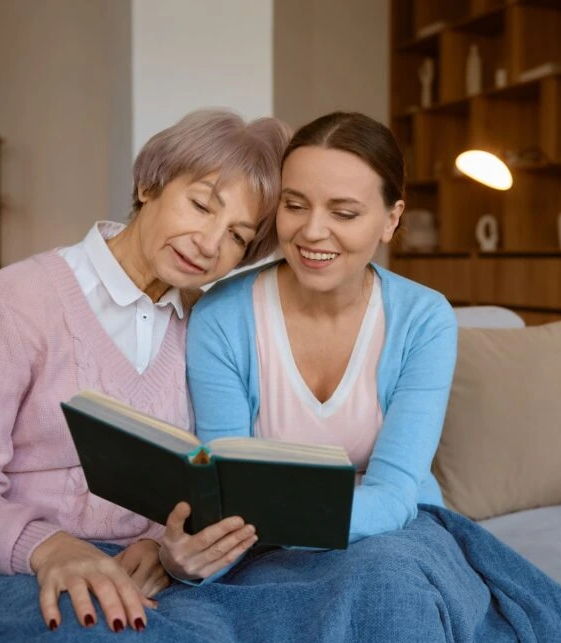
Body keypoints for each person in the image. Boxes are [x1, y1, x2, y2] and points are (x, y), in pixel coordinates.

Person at [0, 108, 289, 632]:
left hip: (149, 584)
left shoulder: (209, 324)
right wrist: (49, 546)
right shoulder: (19, 299)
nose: (208, 243)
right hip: (10, 572)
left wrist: (164, 549)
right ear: (150, 184)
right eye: (200, 205)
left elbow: (210, 486)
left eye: (237, 236)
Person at [172, 111, 457, 579]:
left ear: (391, 219)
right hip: (259, 550)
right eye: (295, 205)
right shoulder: (223, 318)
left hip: (398, 539)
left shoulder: (424, 320)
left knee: (392, 584)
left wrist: (269, 520)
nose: (312, 232)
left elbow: (394, 495)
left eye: (343, 213)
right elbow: (226, 486)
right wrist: (194, 561)